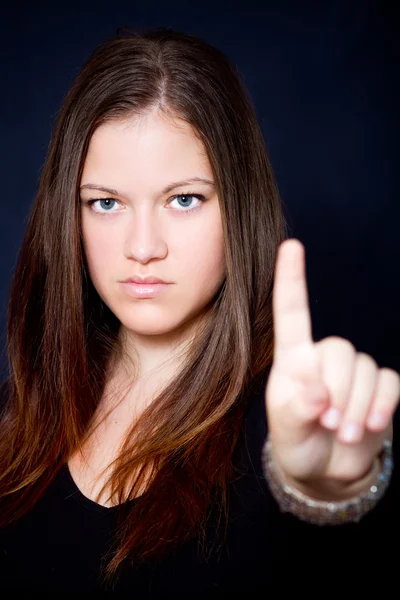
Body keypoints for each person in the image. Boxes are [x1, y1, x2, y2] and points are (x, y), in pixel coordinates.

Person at [0, 26, 399, 595]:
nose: (143, 247)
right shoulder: (18, 415)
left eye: (183, 199)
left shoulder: (293, 415)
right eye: (106, 203)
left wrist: (328, 489)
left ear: (238, 204)